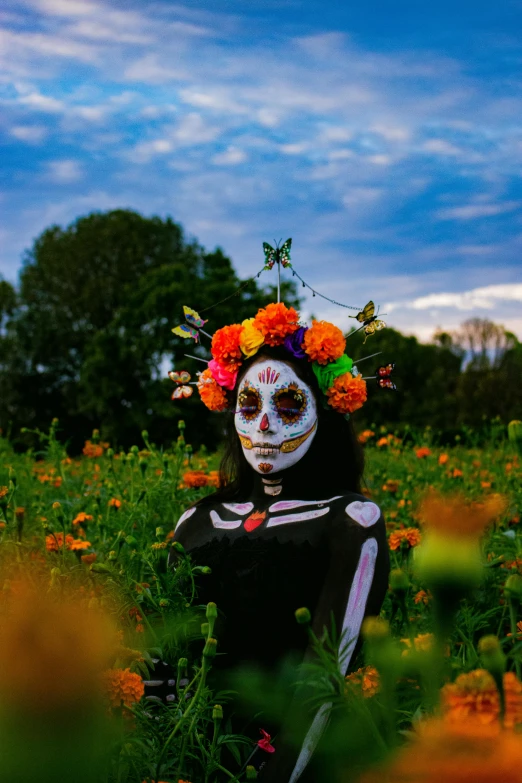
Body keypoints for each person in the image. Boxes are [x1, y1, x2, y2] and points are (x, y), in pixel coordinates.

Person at [170, 304, 390, 781]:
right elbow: (171, 659)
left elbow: (325, 673)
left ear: (325, 411)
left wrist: (279, 774)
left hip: (311, 762)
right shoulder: (195, 522)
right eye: (249, 405)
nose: (265, 424)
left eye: (289, 405)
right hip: (198, 753)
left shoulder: (351, 521)